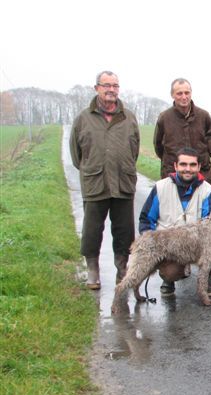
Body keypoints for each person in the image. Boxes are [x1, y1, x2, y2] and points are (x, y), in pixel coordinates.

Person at [70, 70, 140, 290]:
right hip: (96, 183)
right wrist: (93, 168)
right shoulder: (83, 118)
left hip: (123, 183)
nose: (111, 90)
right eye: (106, 85)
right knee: (91, 231)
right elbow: (76, 155)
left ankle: (122, 270)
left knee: (125, 231)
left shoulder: (129, 117)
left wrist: (124, 165)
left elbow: (134, 149)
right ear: (97, 88)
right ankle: (93, 270)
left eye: (115, 86)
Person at [138, 147, 211, 296]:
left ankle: (205, 277)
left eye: (193, 165)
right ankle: (168, 280)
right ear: (175, 166)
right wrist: (150, 245)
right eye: (183, 164)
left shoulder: (208, 191)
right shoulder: (161, 187)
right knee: (171, 272)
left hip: (196, 247)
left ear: (199, 167)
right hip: (170, 249)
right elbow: (146, 220)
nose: (188, 169)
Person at [154, 78, 211, 184]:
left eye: (187, 93)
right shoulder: (164, 117)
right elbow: (158, 146)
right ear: (172, 95)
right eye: (179, 93)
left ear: (191, 93)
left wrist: (201, 159)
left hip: (202, 175)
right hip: (172, 177)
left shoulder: (203, 116)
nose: (184, 97)